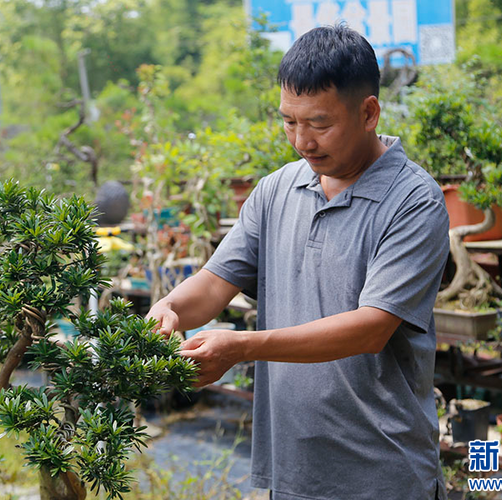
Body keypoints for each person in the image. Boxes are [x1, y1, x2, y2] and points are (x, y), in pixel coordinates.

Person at [146, 24, 450, 500]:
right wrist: (170, 308)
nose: (302, 141)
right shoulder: (277, 191)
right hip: (293, 472)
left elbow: (371, 328)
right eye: (289, 121)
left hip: (382, 473)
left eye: (320, 124)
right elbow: (213, 283)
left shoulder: (413, 201)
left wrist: (242, 347)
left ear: (369, 112)